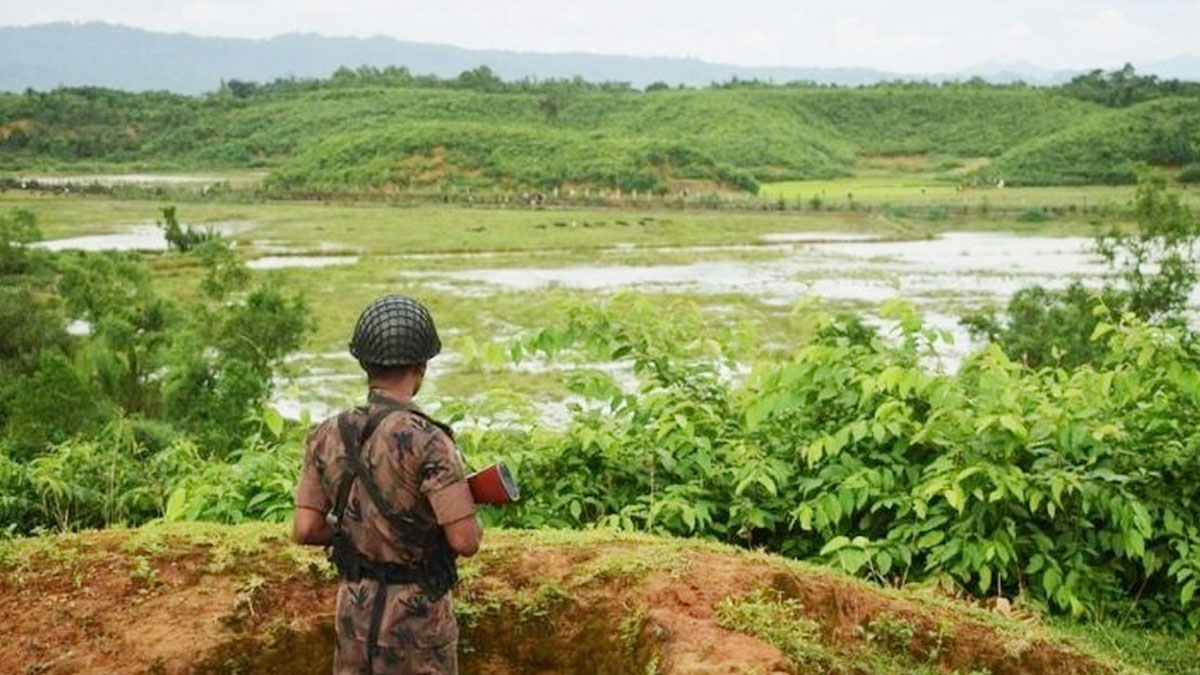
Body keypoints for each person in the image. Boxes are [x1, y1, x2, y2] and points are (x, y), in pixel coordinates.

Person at [292, 295, 482, 675]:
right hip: (418, 624)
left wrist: (357, 532)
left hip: (355, 615)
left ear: (364, 364)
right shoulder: (430, 440)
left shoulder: (328, 433)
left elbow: (305, 528)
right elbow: (465, 541)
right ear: (422, 367)